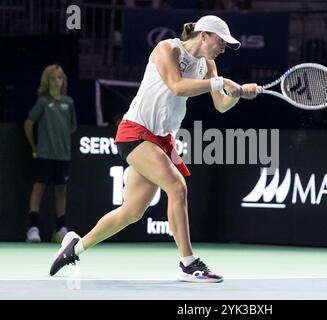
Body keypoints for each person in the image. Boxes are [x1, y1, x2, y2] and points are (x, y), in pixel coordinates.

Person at [49, 15, 258, 282]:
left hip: (162, 139)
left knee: (131, 212)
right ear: (204, 35)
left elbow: (220, 104)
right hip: (135, 131)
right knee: (177, 186)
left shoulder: (209, 65)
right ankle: (188, 263)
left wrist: (238, 94)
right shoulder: (167, 49)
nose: (223, 48)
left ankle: (74, 247)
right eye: (221, 41)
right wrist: (220, 83)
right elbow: (177, 86)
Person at [24, 64, 77, 243]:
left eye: (60, 78)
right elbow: (28, 124)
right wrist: (35, 147)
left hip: (63, 156)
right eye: (53, 78)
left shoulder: (69, 102)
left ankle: (60, 228)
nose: (57, 81)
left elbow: (72, 127)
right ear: (47, 81)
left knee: (61, 191)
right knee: (38, 189)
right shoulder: (43, 102)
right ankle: (33, 228)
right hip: (44, 155)